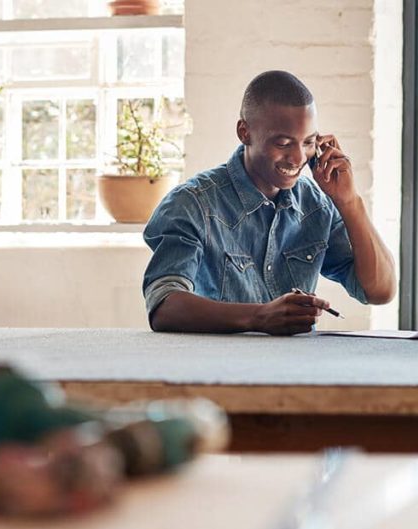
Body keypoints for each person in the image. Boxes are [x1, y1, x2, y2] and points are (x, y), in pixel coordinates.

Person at [142, 70, 396, 335]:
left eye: (308, 142)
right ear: (245, 132)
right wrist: (260, 316)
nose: (298, 158)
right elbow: (163, 306)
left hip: (294, 371)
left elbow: (379, 291)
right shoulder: (192, 203)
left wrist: (349, 201)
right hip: (217, 371)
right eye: (284, 143)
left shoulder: (316, 204)